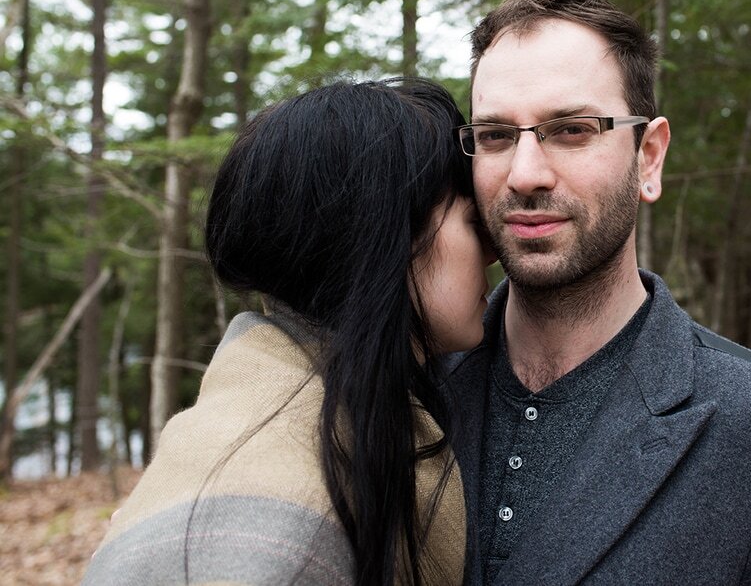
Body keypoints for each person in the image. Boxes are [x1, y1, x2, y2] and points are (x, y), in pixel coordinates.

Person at [442, 0, 751, 584]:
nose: (526, 173)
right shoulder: (409, 386)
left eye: (572, 129)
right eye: (496, 136)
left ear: (648, 158)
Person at [84, 79, 494, 586]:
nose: (494, 252)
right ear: (386, 238)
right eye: (474, 224)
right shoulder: (270, 540)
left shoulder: (320, 415)